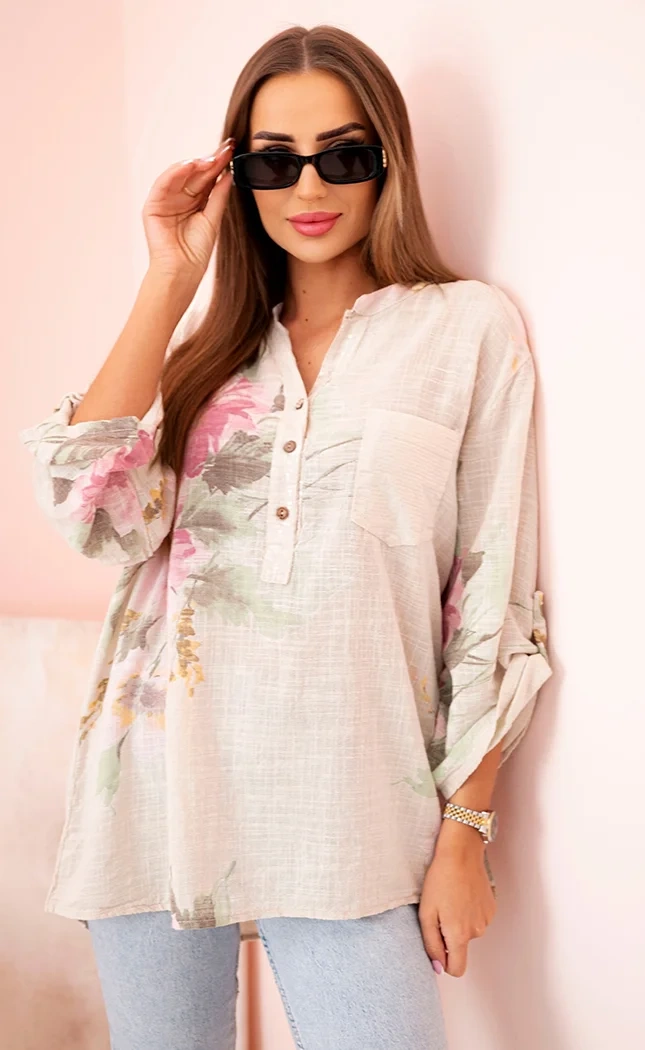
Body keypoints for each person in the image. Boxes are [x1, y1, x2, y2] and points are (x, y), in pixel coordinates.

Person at [19, 23, 552, 1050]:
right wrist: (169, 279)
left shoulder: (464, 330)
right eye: (274, 161)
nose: (309, 187)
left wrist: (466, 831)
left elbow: (492, 601)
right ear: (239, 178)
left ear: (387, 162)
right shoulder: (204, 359)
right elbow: (92, 513)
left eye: (342, 155)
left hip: (350, 801)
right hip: (153, 795)